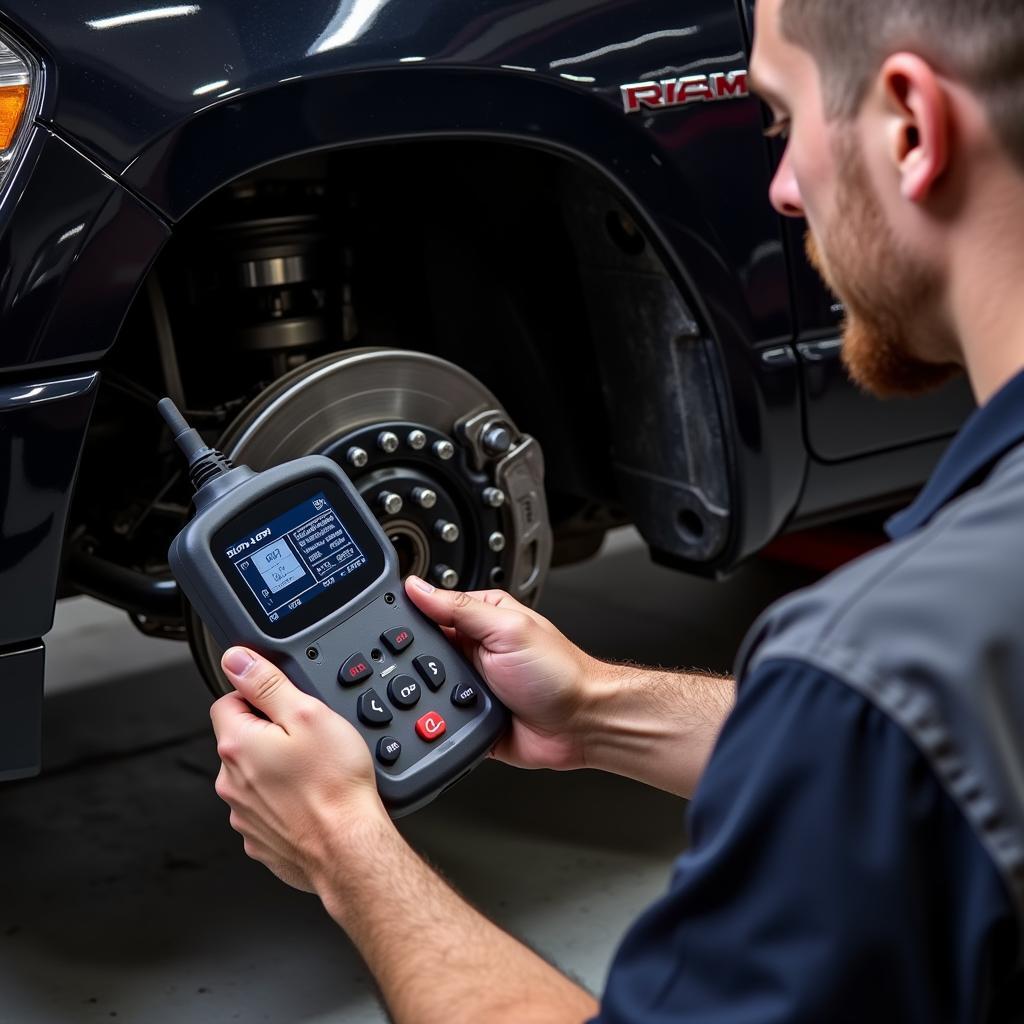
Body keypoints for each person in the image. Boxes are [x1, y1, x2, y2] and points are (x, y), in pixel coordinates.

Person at [209, 0, 1024, 1018]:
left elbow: (880, 731)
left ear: (910, 126)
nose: (779, 187)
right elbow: (921, 759)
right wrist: (594, 707)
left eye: (779, 121)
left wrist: (343, 845)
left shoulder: (888, 667)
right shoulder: (931, 668)